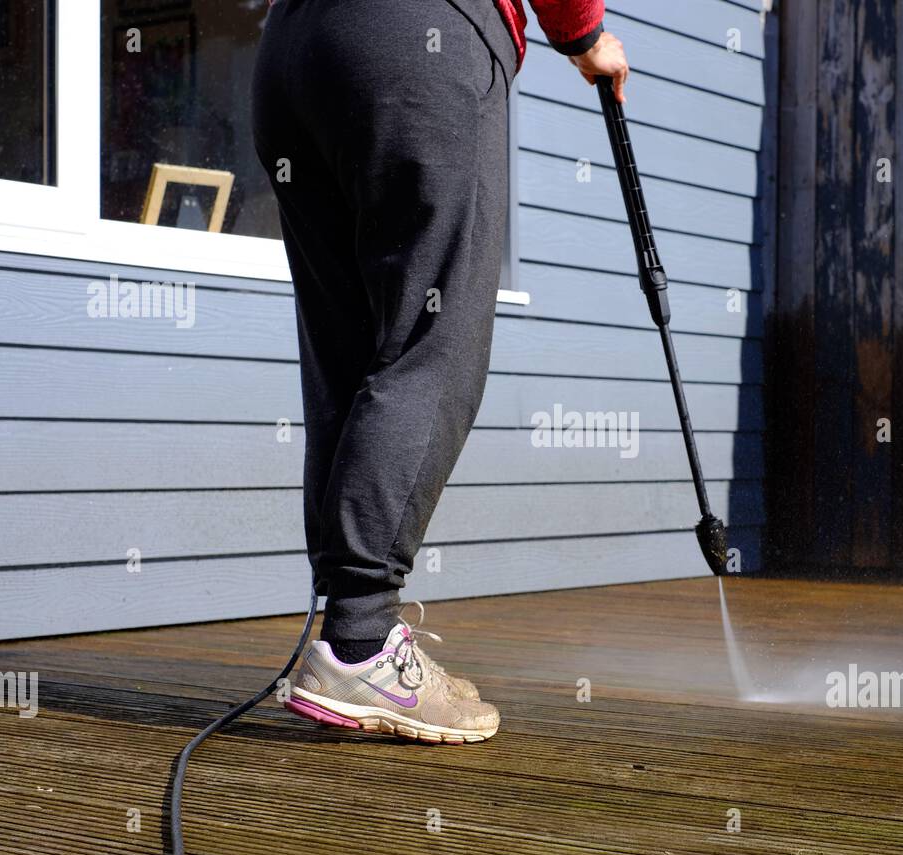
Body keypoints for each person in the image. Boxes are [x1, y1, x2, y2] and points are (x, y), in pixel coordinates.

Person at [251, 0, 628, 743]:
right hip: (416, 42)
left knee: (347, 354)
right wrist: (583, 36)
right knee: (436, 343)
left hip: (293, 50)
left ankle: (353, 639)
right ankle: (359, 643)